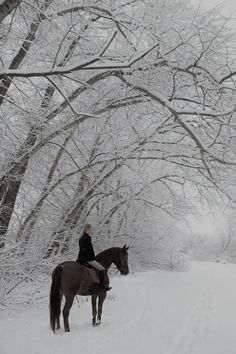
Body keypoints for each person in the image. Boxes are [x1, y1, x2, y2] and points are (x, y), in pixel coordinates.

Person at [77, 224, 111, 291]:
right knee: (102, 269)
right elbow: (90, 249)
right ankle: (102, 286)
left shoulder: (80, 238)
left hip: (80, 258)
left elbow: (82, 249)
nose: (91, 231)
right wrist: (93, 258)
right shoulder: (88, 237)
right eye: (90, 229)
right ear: (87, 229)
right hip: (88, 259)